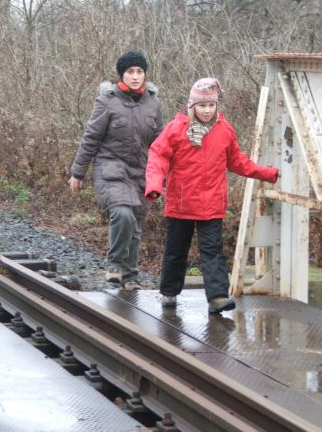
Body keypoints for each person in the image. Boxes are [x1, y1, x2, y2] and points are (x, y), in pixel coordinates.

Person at [145, 78, 278, 313]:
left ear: (217, 106)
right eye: (202, 106)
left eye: (211, 106)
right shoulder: (176, 129)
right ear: (191, 106)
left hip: (212, 203)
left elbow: (237, 162)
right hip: (181, 202)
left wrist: (268, 174)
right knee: (176, 250)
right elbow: (158, 156)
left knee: (212, 250)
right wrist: (154, 185)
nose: (207, 111)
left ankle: (217, 297)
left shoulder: (224, 130)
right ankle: (169, 292)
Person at [69, 51, 163, 290]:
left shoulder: (153, 104)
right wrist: (78, 172)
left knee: (135, 223)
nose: (135, 76)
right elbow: (91, 137)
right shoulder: (107, 101)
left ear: (145, 75)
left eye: (139, 72)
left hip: (140, 173)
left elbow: (160, 143)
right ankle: (114, 264)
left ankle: (131, 277)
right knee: (123, 214)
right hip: (110, 168)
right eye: (130, 72)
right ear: (122, 74)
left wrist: (165, 174)